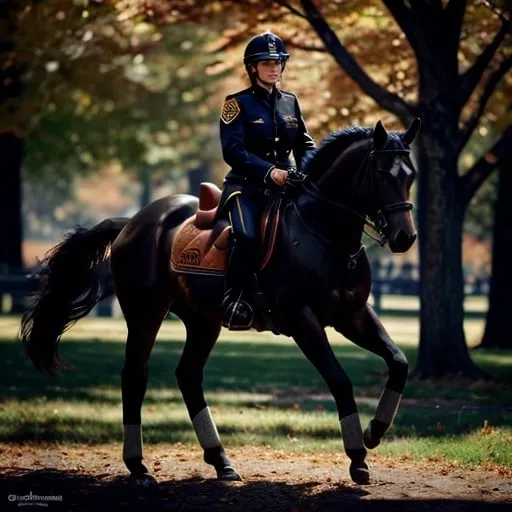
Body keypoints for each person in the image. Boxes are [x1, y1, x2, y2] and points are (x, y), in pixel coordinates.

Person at [218, 30, 316, 330]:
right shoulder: (236, 103)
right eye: (267, 62)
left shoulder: (290, 102)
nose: (274, 67)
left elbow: (304, 144)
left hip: (286, 188)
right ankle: (233, 300)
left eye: (278, 62)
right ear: (252, 68)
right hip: (246, 189)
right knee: (246, 238)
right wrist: (269, 171)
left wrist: (312, 170)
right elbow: (233, 151)